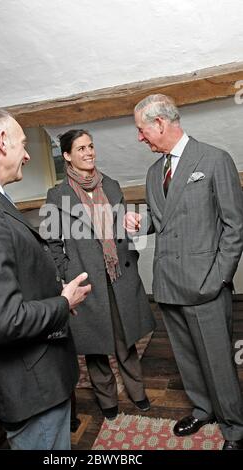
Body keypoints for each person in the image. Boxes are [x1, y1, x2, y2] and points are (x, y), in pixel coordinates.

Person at [0, 107, 91, 450]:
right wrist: (63, 302)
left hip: (30, 378)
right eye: (23, 144)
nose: (27, 154)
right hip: (28, 385)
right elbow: (4, 321)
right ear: (2, 141)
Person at [124, 93, 243, 450]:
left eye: (142, 130)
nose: (139, 137)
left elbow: (235, 226)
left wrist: (218, 278)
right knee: (187, 357)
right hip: (168, 284)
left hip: (205, 286)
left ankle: (235, 428)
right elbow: (165, 220)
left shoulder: (214, 159)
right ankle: (202, 408)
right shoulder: (152, 172)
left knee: (219, 363)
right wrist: (139, 221)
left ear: (160, 123)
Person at [42, 129, 155, 420]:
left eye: (91, 146)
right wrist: (65, 273)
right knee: (95, 345)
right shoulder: (58, 195)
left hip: (119, 274)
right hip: (86, 280)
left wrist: (131, 237)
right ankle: (107, 399)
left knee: (125, 337)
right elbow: (52, 242)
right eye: (80, 148)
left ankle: (137, 391)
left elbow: (123, 227)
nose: (89, 152)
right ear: (67, 155)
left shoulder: (112, 185)